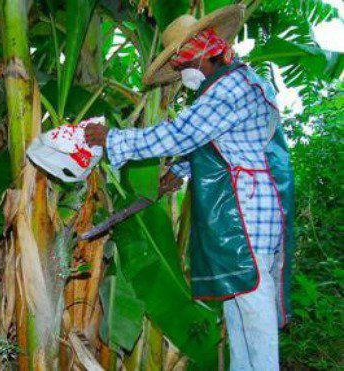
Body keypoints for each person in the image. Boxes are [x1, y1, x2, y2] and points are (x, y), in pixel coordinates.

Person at [84, 5, 295, 370]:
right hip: (247, 205)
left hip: (246, 209)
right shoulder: (241, 81)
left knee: (252, 304)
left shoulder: (229, 88)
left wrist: (112, 140)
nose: (179, 71)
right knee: (238, 303)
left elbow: (181, 135)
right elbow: (219, 143)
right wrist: (179, 173)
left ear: (202, 51)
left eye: (181, 63)